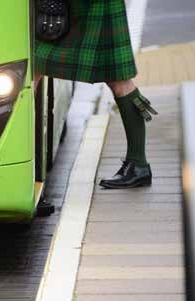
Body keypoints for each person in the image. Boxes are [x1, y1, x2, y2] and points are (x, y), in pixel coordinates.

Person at [35, 0, 157, 189]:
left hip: (90, 6)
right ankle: (138, 164)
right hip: (82, 6)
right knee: (35, 65)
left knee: (35, 63)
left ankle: (138, 163)